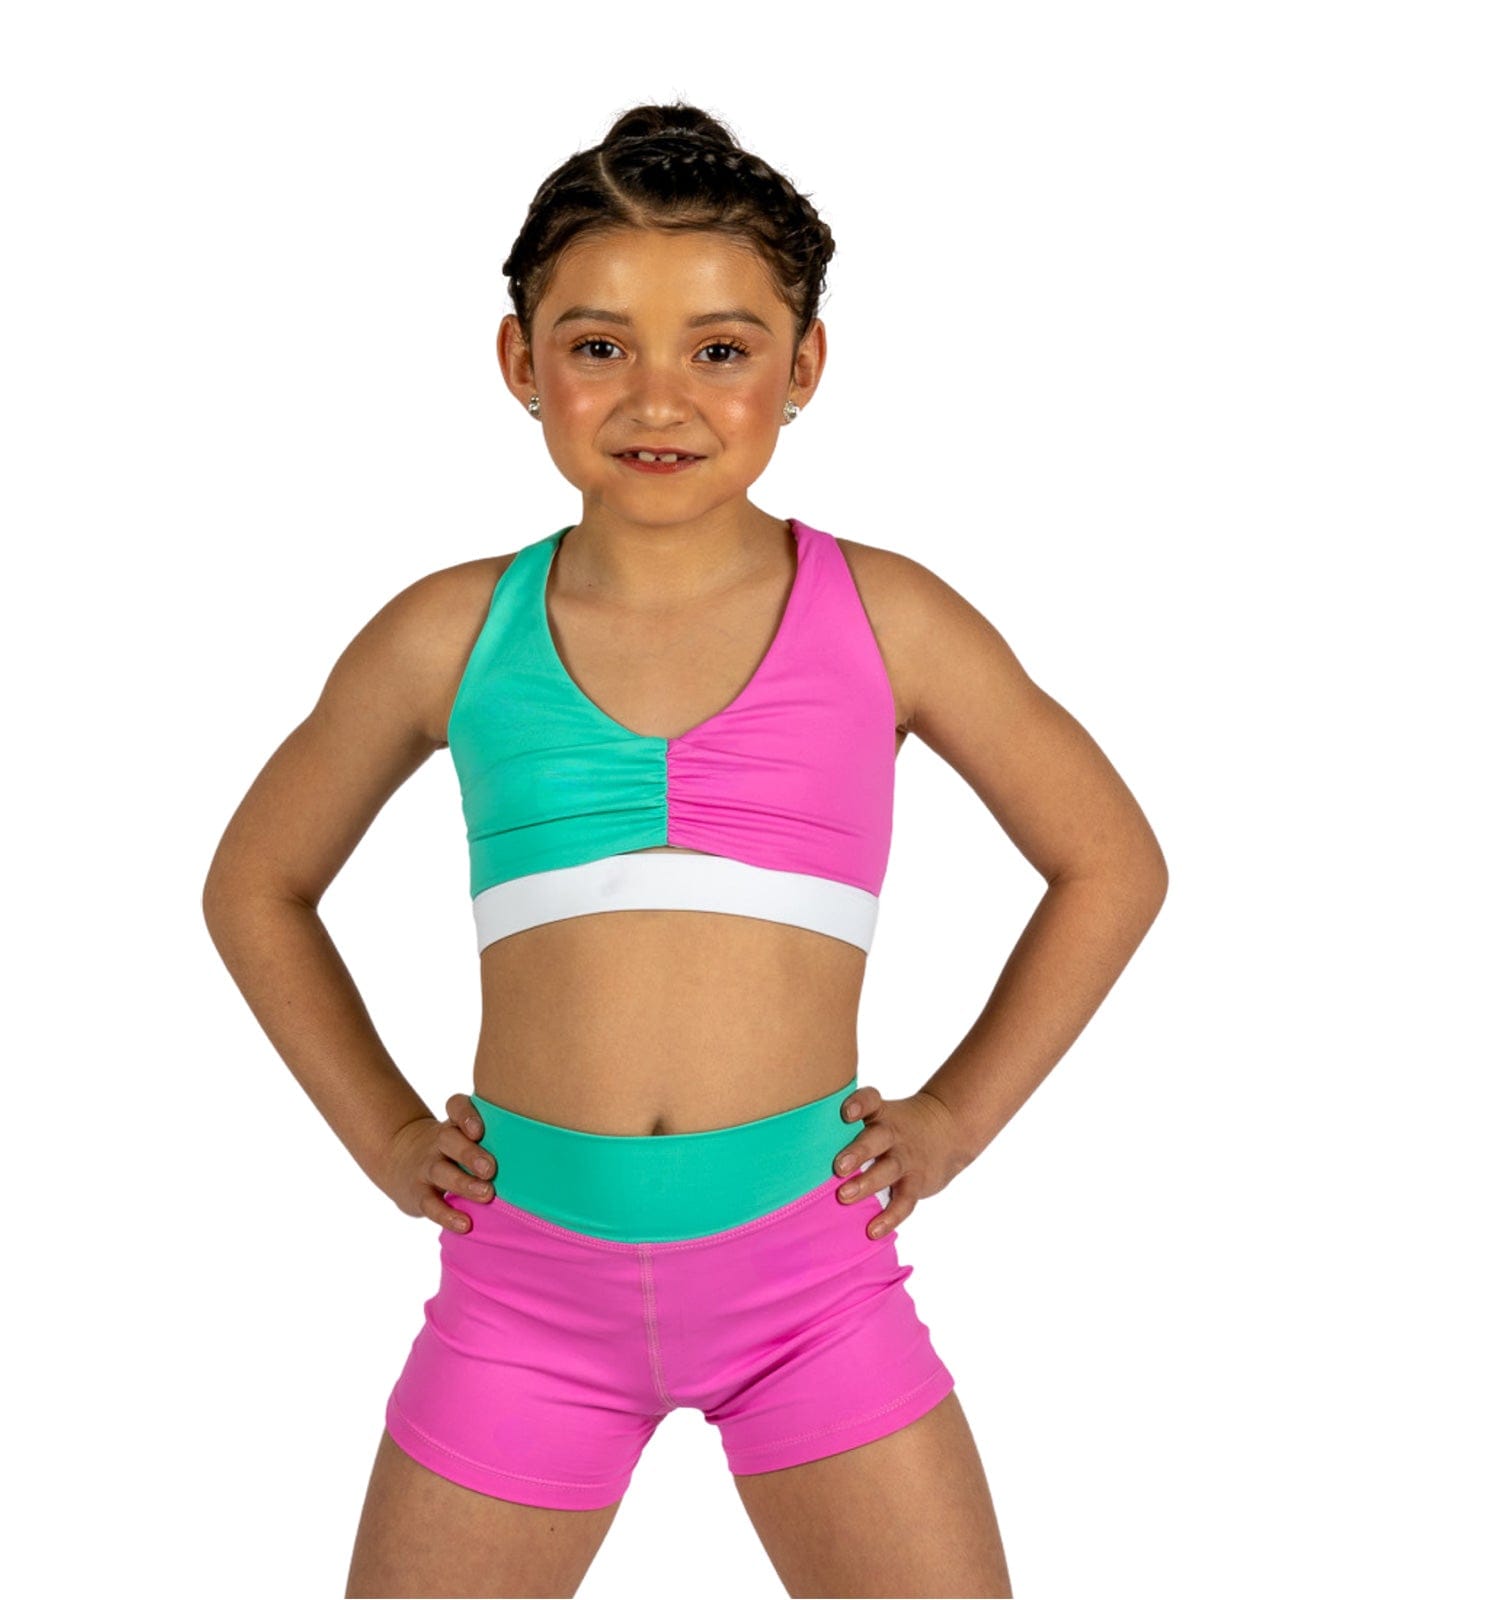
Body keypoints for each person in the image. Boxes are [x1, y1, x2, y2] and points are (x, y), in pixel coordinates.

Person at [202, 100, 1167, 1600]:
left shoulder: (893, 618)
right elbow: (256, 885)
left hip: (811, 1288)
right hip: (525, 1297)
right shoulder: (447, 633)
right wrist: (385, 1135)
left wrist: (956, 1122)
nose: (659, 396)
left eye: (721, 349)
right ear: (521, 361)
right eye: (599, 345)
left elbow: (1111, 863)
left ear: (805, 366)